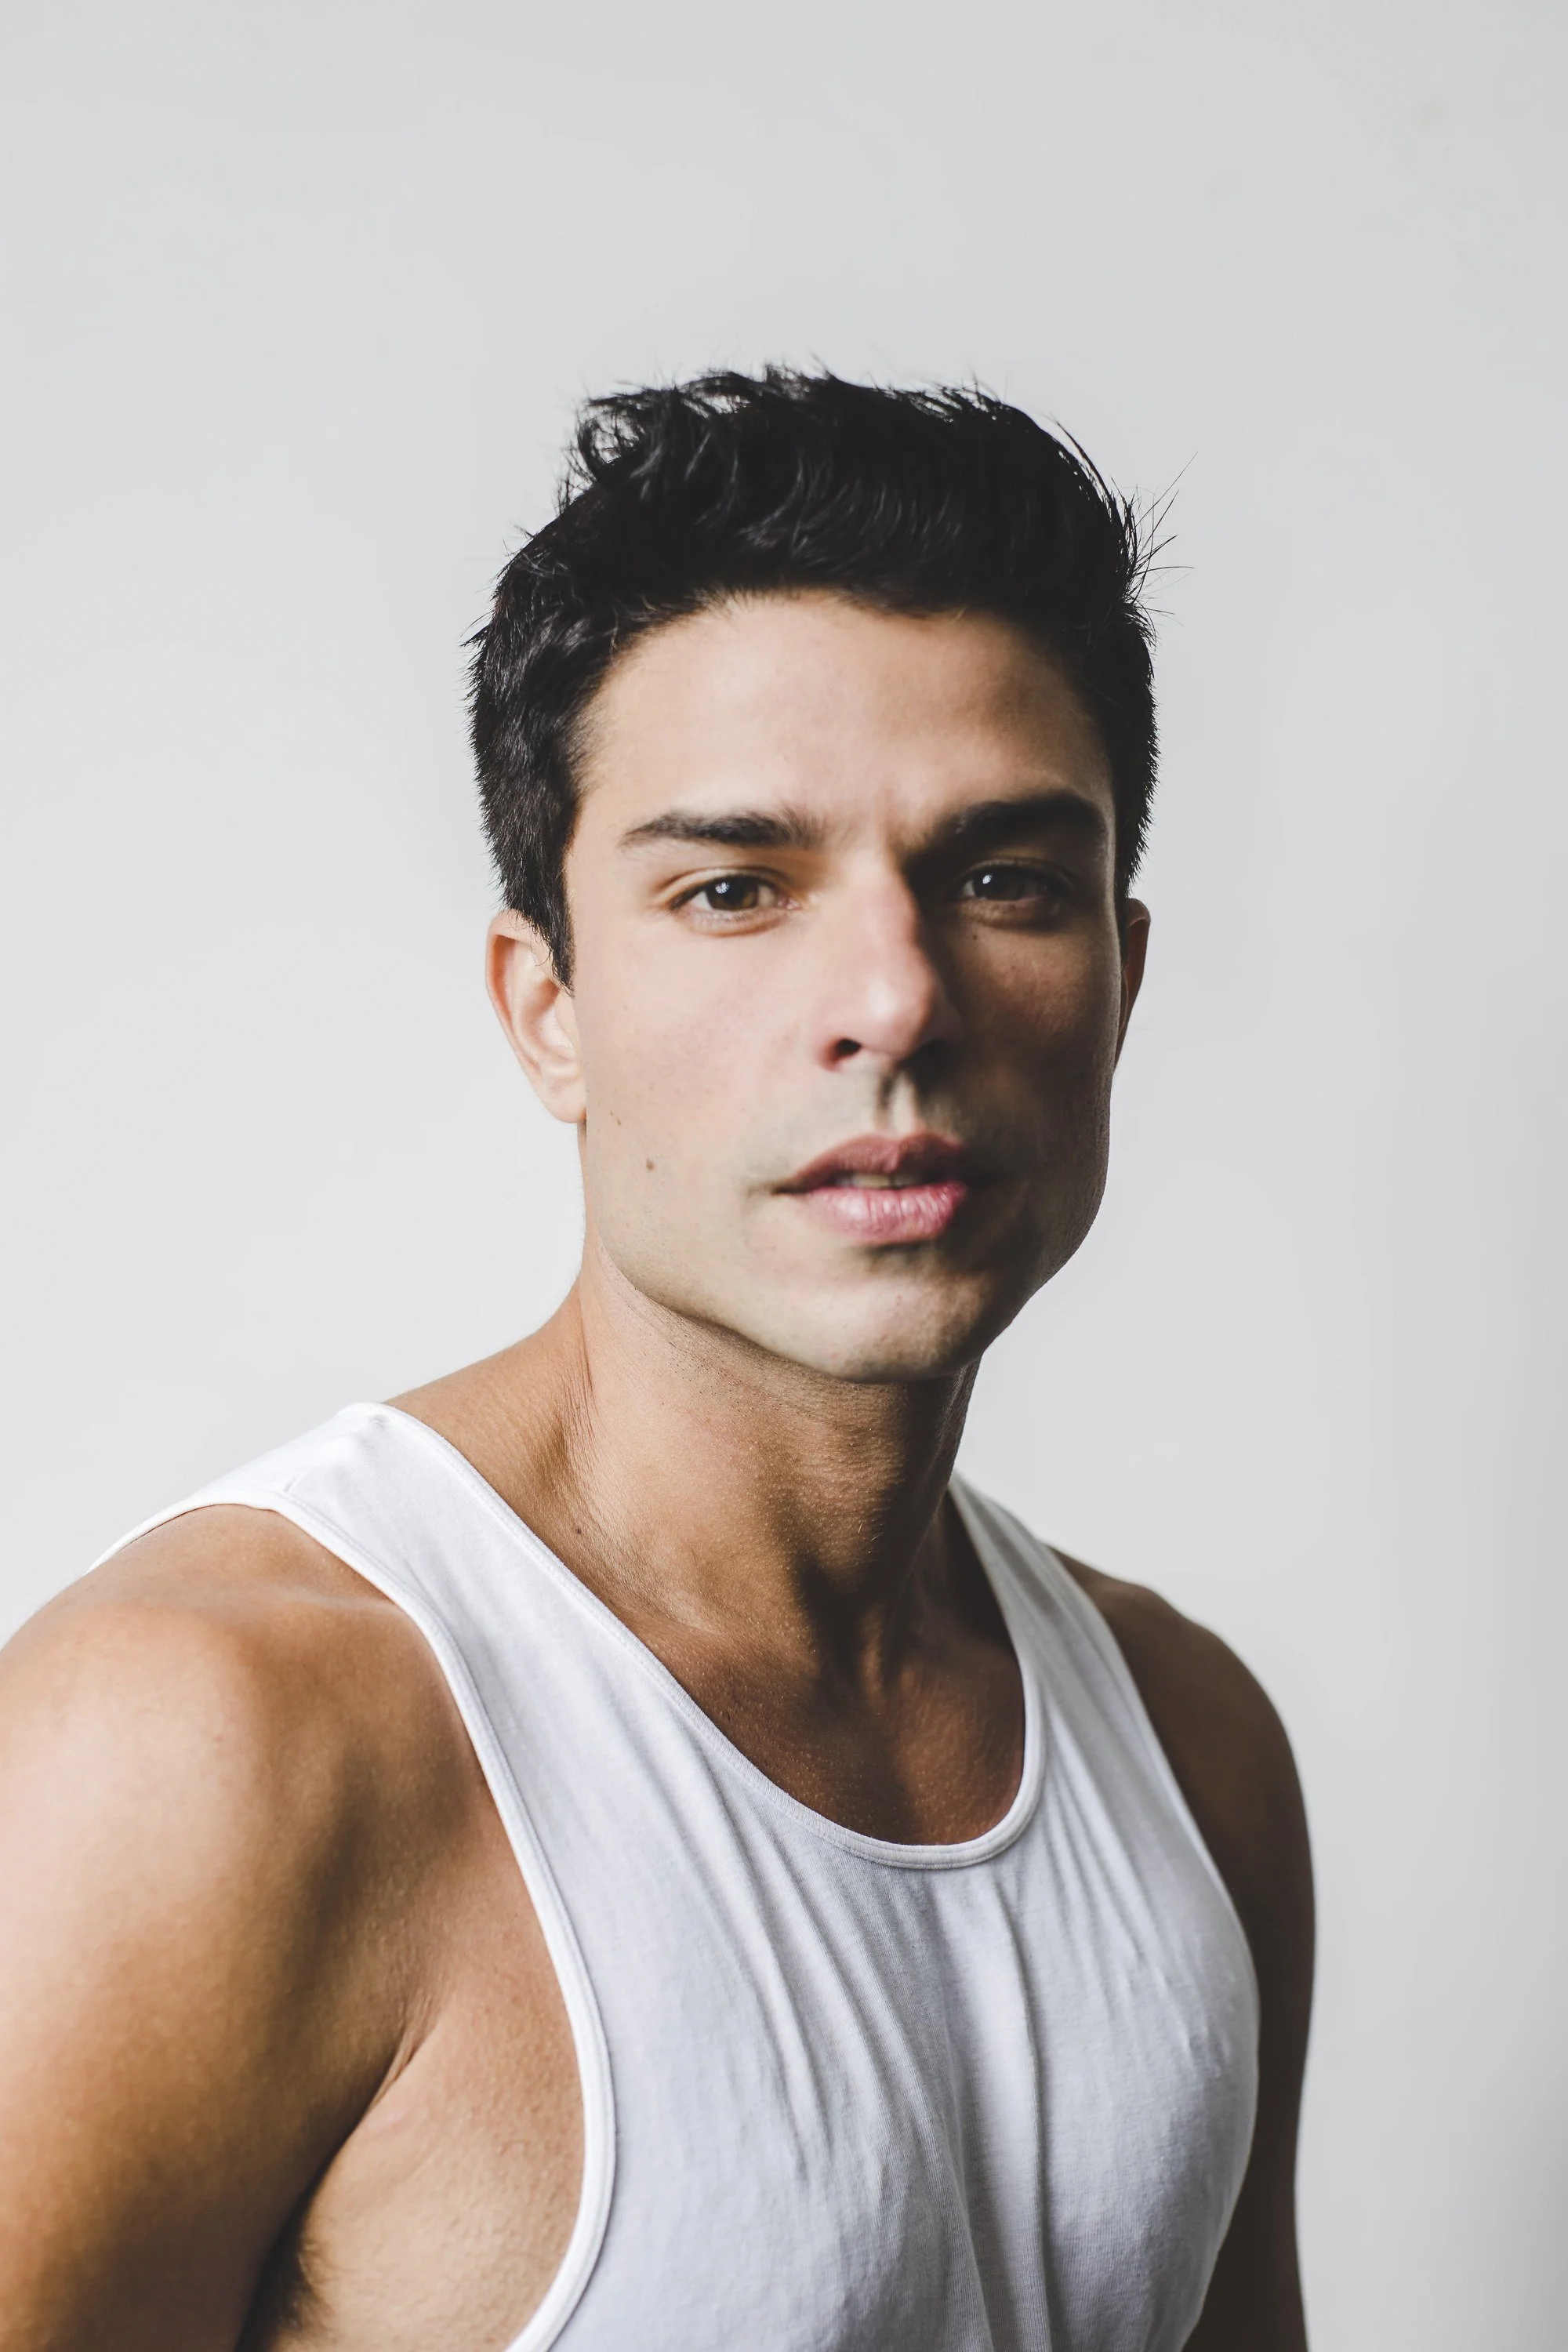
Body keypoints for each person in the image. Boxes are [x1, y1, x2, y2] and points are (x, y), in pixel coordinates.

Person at [0, 371, 1312, 2352]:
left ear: (1118, 987)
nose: (893, 1000)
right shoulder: (211, 1743)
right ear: (548, 1009)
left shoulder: (1191, 1750)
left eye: (1000, 879)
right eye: (733, 889)